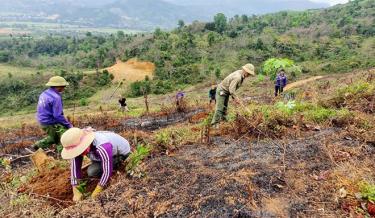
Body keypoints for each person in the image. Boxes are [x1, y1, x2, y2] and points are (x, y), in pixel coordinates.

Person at [60, 127, 131, 201]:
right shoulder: (78, 145)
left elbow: (107, 171)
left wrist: (97, 190)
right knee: (91, 171)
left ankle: (116, 164)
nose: (79, 152)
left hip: (120, 154)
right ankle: (101, 161)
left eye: (80, 150)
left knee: (93, 171)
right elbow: (75, 168)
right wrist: (76, 190)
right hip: (101, 155)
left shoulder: (102, 146)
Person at [33, 76, 72, 150]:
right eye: (63, 86)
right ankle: (62, 157)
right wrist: (68, 125)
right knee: (61, 140)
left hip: (42, 120)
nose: (64, 88)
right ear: (58, 86)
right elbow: (57, 115)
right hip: (50, 122)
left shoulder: (44, 93)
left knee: (54, 137)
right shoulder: (55, 97)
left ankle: (37, 145)